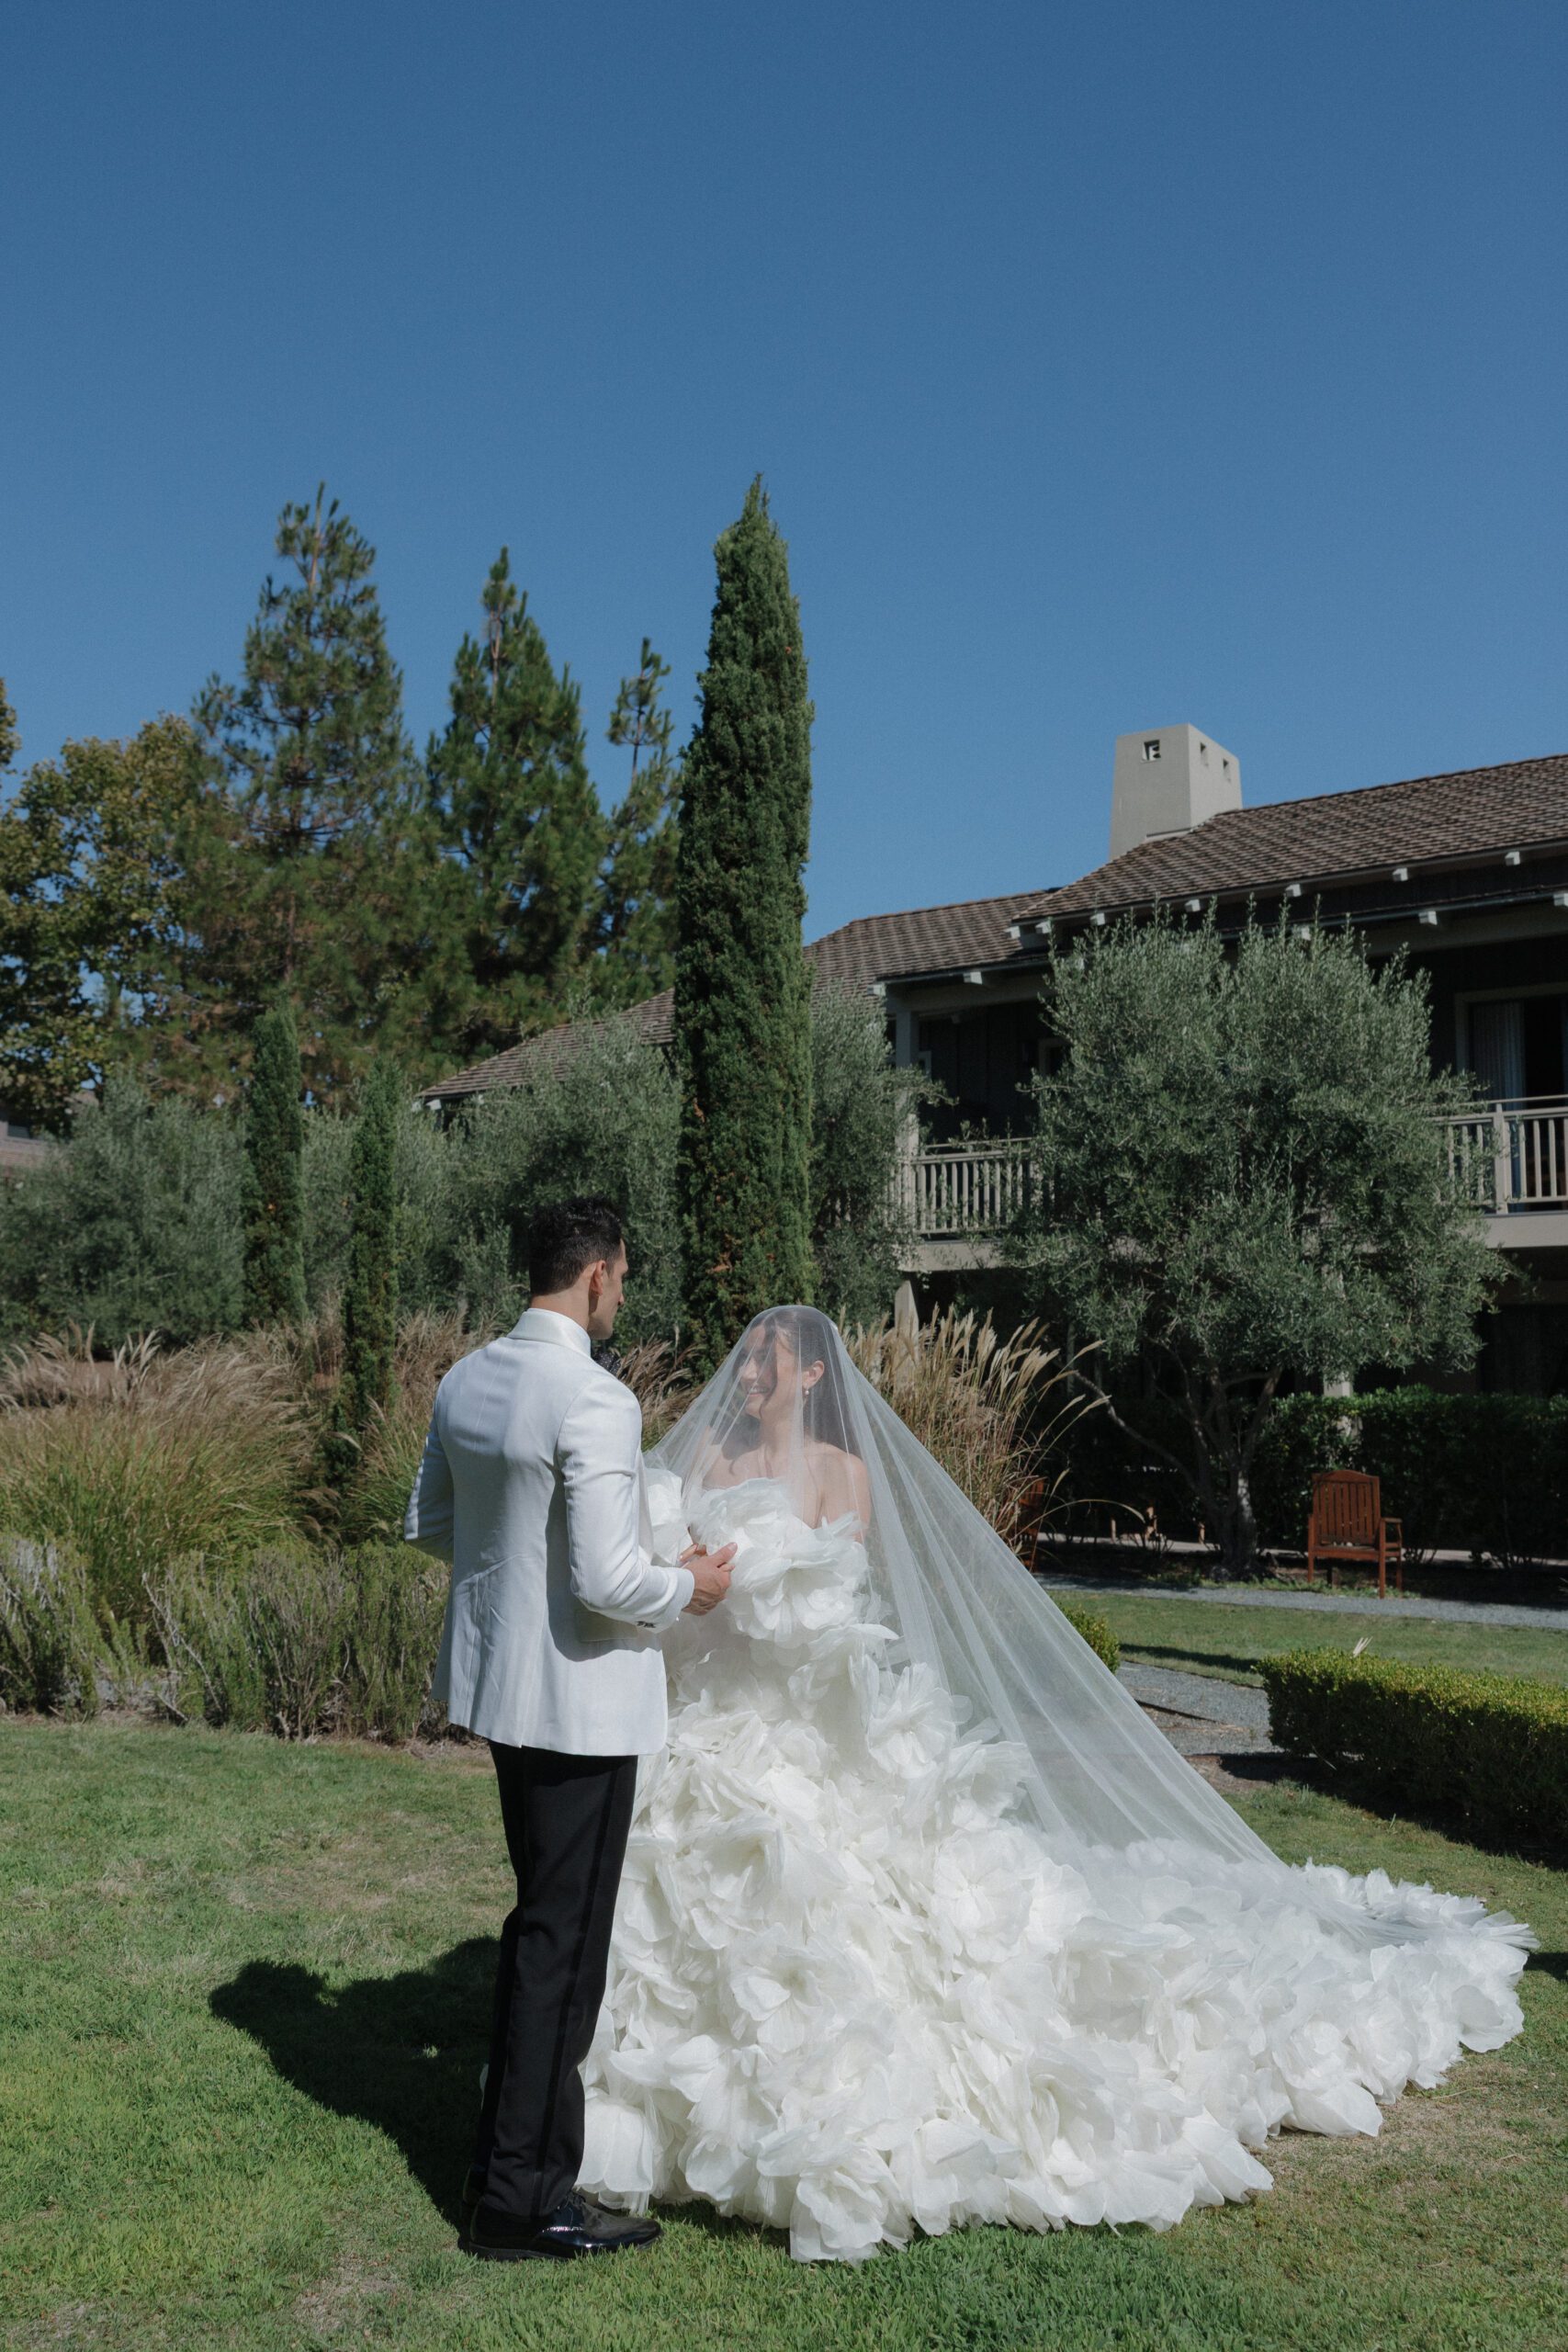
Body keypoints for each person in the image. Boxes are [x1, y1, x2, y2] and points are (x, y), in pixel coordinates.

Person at [577, 1306, 1533, 2264]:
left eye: (765, 1365)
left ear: (813, 1377)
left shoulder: (846, 1474)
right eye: (744, 1364)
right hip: (718, 1732)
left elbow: (844, 1604)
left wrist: (762, 1592)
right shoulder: (706, 1466)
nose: (745, 1380)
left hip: (812, 1723)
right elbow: (662, 1588)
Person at [403, 1196, 736, 2263]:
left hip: (504, 1698)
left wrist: (515, 1593)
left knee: (541, 1932)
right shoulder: (595, 1399)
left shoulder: (467, 1378)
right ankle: (520, 2198)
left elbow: (436, 1525)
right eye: (625, 1277)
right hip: (585, 1710)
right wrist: (686, 1581)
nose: (625, 1294)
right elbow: (603, 1580)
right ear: (594, 1279)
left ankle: (521, 2166)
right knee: (562, 1949)